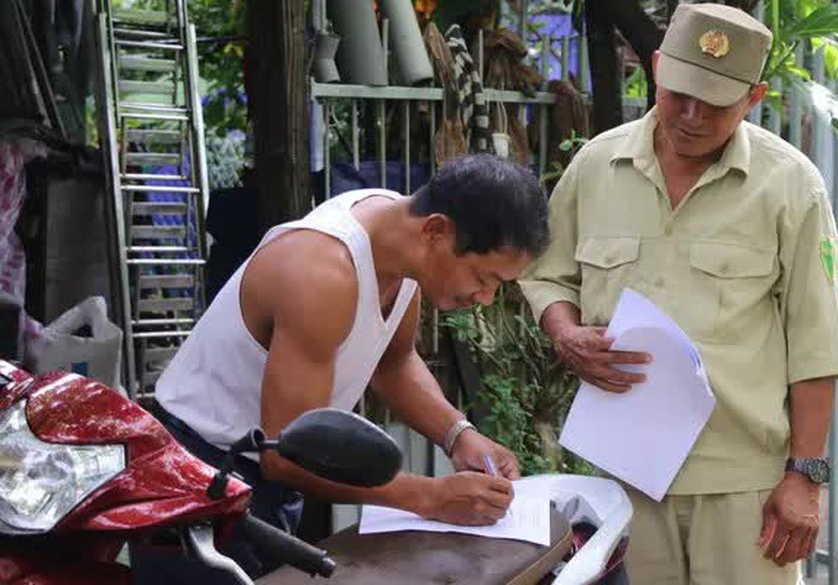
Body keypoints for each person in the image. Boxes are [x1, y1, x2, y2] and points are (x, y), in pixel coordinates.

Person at [519, 3, 838, 584]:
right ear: (655, 68)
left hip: (741, 482)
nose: (692, 115)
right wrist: (565, 332)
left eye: (716, 103)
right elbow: (547, 274)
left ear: (754, 98)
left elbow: (818, 340)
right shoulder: (597, 166)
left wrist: (805, 476)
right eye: (678, 94)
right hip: (621, 473)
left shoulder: (789, 185)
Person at [140, 154, 549, 580]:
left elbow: (394, 363)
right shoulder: (323, 274)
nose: (485, 298)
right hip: (197, 473)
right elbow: (284, 456)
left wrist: (458, 434)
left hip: (260, 470)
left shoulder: (400, 239)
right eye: (485, 279)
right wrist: (430, 496)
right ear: (436, 231)